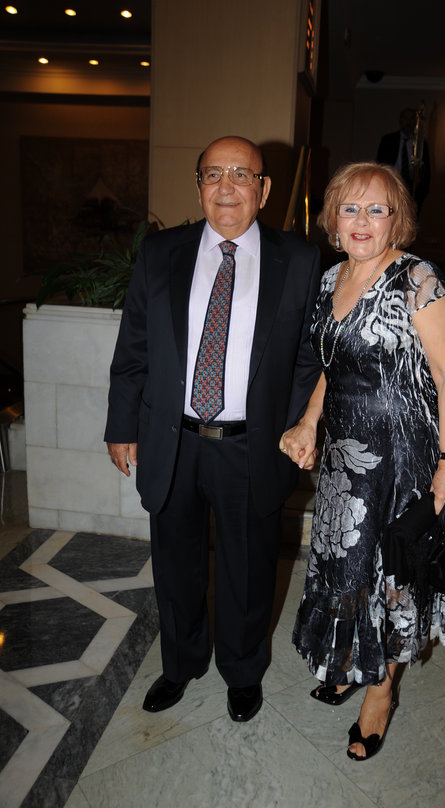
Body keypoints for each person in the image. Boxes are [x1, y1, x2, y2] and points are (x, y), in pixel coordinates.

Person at [105, 135, 321, 723]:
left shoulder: (299, 260)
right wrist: (121, 424)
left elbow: (309, 357)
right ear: (198, 185)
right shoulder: (161, 253)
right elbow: (133, 347)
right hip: (171, 441)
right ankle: (180, 664)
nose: (226, 186)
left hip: (252, 445)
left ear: (264, 190)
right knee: (175, 563)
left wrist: (296, 426)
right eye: (213, 174)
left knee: (248, 569)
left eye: (241, 174)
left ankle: (243, 672)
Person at [280, 161, 445, 760]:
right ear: (333, 219)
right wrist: (308, 422)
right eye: (350, 208)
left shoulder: (419, 280)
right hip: (344, 456)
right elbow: (331, 368)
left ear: (397, 220)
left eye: (376, 209)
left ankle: (380, 693)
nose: (362, 220)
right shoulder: (331, 277)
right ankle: (349, 660)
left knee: (389, 574)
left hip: (401, 458)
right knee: (344, 565)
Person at [376, 107, 430, 214]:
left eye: (411, 119)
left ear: (415, 122)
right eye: (405, 118)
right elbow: (378, 165)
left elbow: (427, 172)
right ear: (400, 120)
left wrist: (420, 194)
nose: (408, 122)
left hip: (411, 190)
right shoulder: (388, 140)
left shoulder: (421, 144)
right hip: (391, 185)